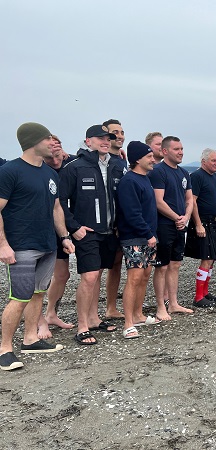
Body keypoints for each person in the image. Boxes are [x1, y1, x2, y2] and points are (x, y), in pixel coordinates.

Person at [0, 122, 74, 371]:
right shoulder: (10, 171)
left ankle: (30, 339)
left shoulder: (50, 173)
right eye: (47, 140)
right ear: (34, 142)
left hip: (47, 244)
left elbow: (56, 208)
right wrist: (3, 245)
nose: (52, 144)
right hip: (21, 246)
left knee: (38, 293)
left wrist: (64, 236)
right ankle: (5, 349)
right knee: (18, 297)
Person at [60, 124, 126, 345]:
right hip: (87, 232)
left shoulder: (116, 166)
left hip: (109, 231)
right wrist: (73, 227)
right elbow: (60, 202)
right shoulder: (75, 168)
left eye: (108, 138)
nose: (105, 141)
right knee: (88, 277)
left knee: (97, 274)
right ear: (88, 141)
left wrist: (119, 223)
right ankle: (82, 327)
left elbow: (118, 198)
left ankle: (94, 318)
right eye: (100, 138)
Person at [116, 141, 159, 339]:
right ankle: (128, 323)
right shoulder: (129, 181)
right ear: (137, 159)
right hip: (134, 236)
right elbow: (132, 213)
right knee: (134, 278)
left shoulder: (146, 179)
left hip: (149, 236)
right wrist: (147, 233)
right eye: (149, 157)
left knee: (145, 276)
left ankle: (139, 314)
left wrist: (152, 234)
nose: (153, 160)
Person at [148, 136, 194, 319]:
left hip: (180, 225)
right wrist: (176, 217)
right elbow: (158, 201)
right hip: (164, 225)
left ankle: (173, 303)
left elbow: (189, 199)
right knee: (162, 266)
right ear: (165, 151)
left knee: (176, 264)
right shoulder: (158, 171)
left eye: (182, 149)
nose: (181, 152)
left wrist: (186, 217)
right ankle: (161, 306)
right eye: (177, 149)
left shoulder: (184, 173)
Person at [37, 135, 76, 339]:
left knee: (62, 275)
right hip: (41, 227)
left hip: (62, 227)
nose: (55, 160)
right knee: (39, 279)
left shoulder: (71, 162)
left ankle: (51, 313)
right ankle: (39, 321)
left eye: (58, 152)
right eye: (50, 155)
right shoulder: (37, 167)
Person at [186, 148, 216, 307]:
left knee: (212, 259)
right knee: (206, 259)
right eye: (213, 161)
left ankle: (205, 292)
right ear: (203, 162)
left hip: (214, 224)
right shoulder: (196, 176)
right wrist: (198, 224)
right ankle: (199, 297)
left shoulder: (213, 176)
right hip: (204, 223)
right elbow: (192, 201)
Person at [103, 119, 128, 319]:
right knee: (95, 270)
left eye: (121, 132)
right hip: (101, 223)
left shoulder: (122, 160)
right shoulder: (99, 159)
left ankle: (111, 307)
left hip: (120, 222)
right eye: (114, 133)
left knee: (116, 265)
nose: (119, 136)